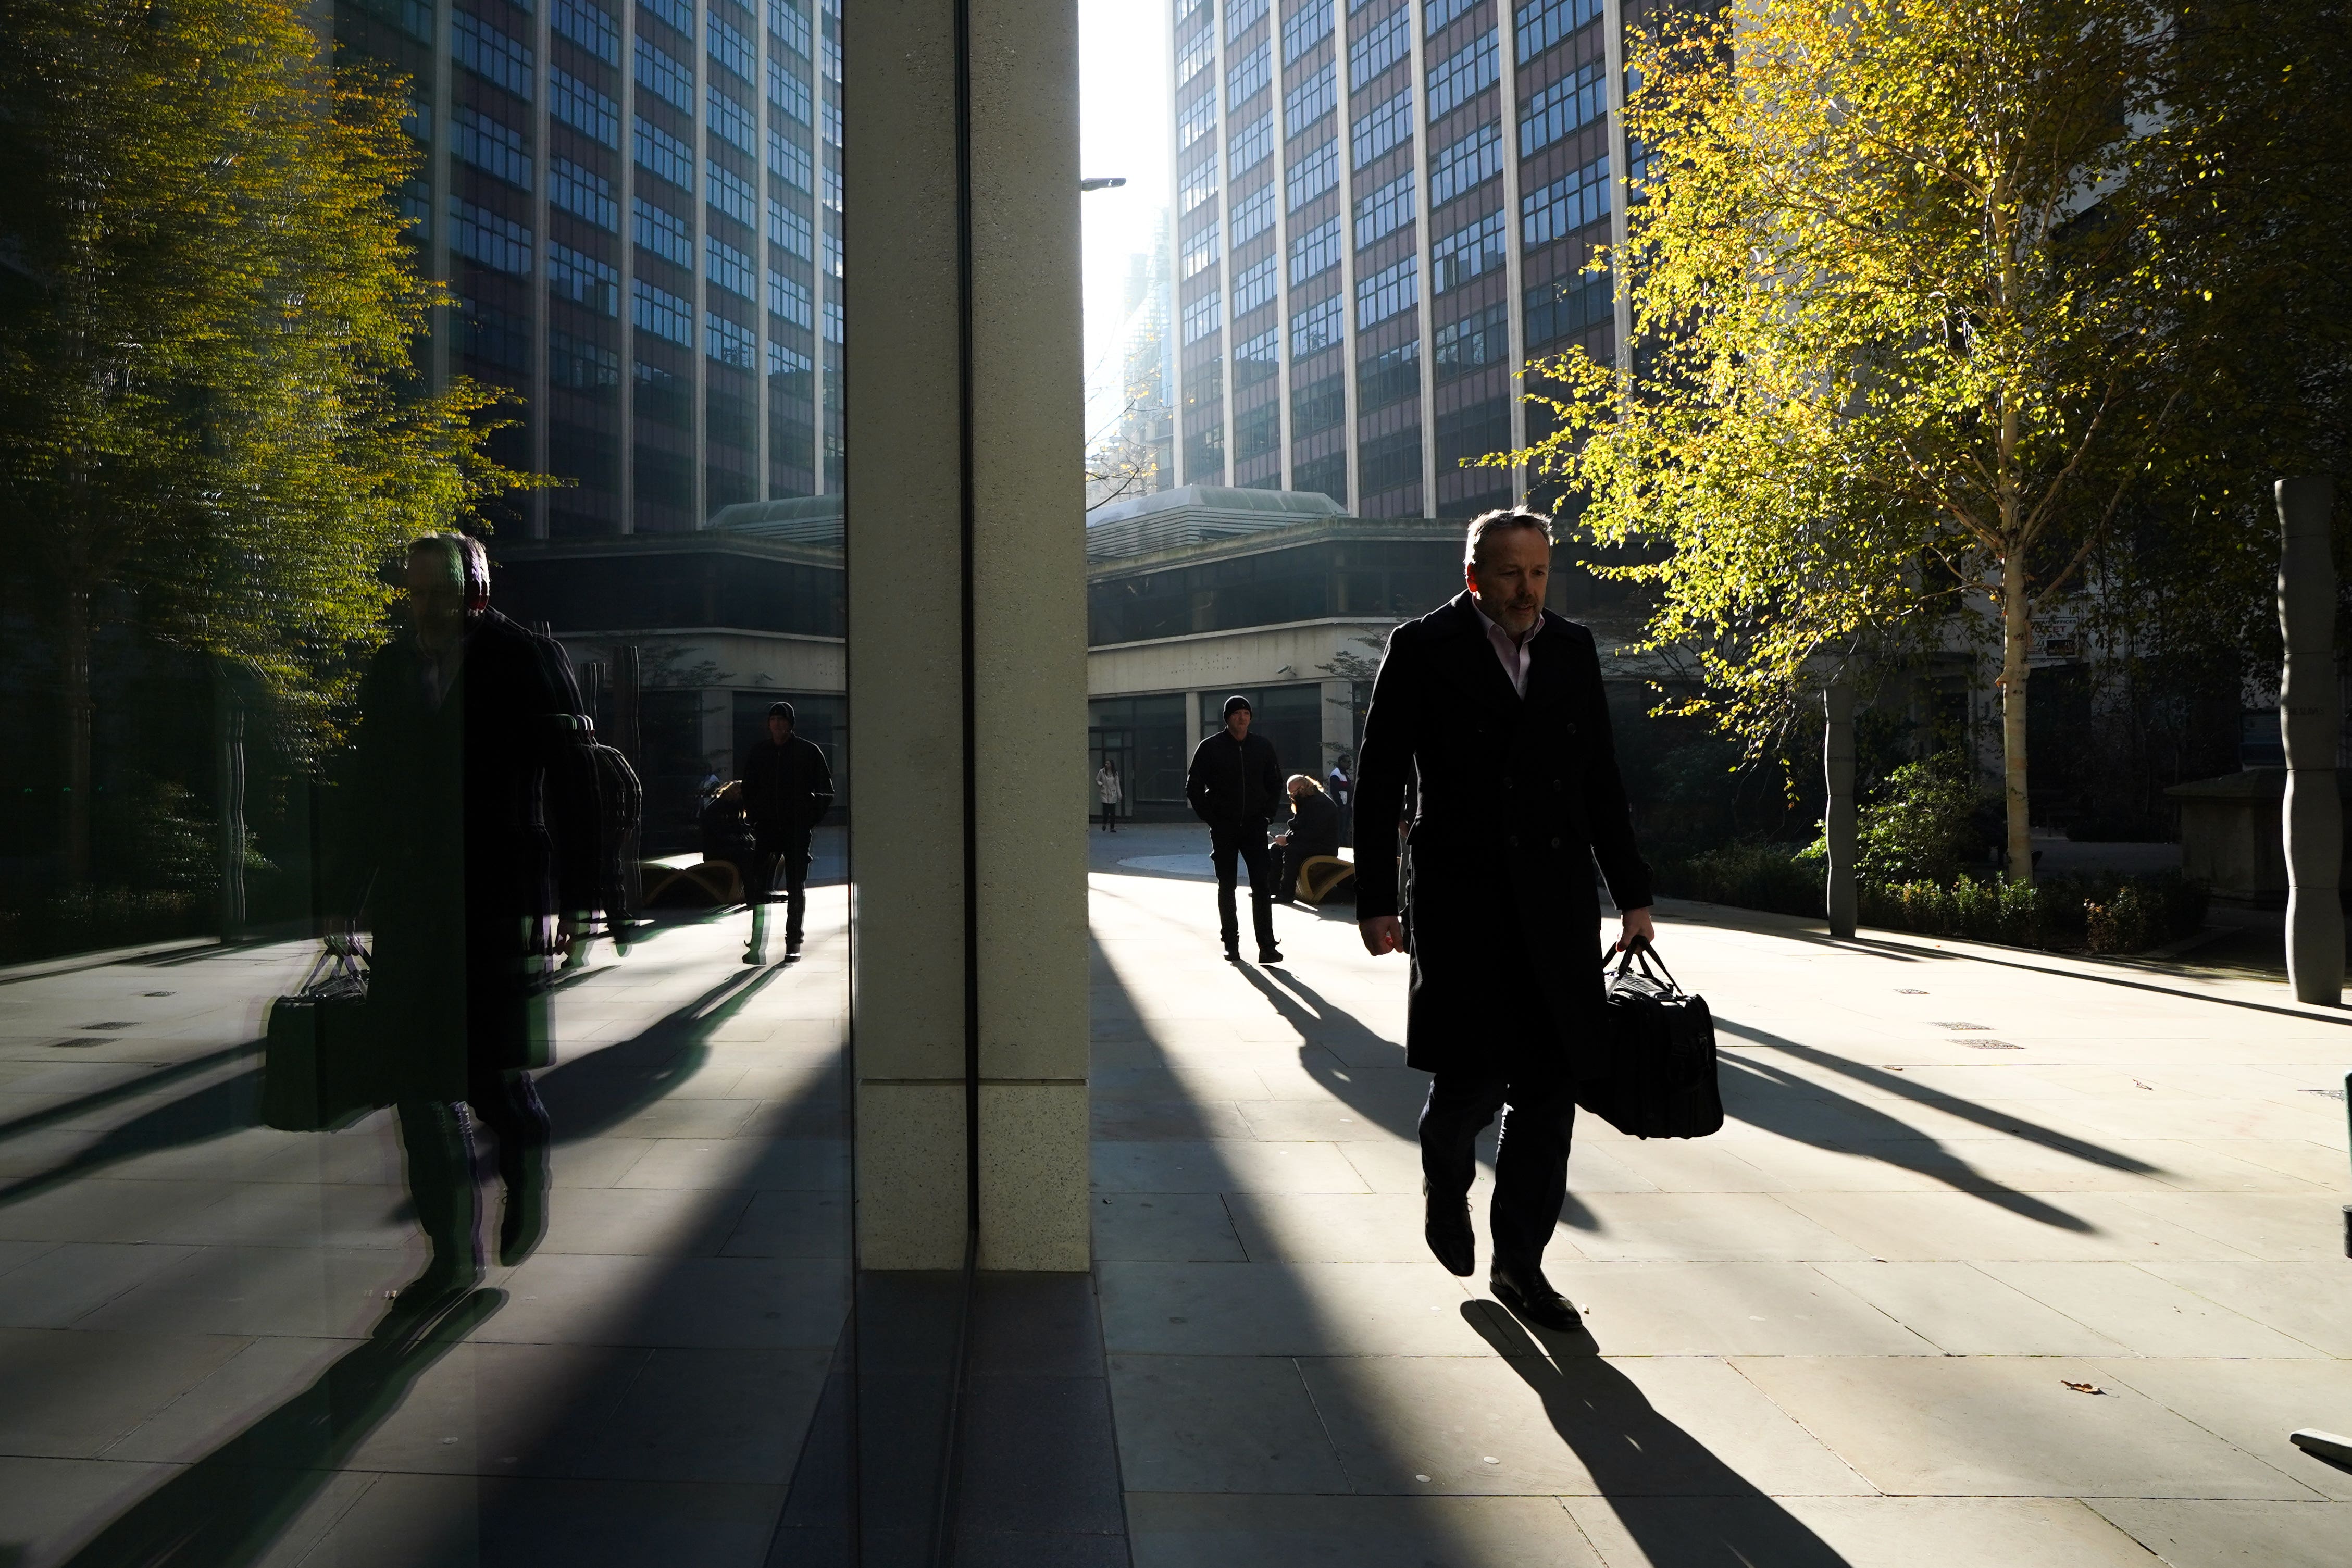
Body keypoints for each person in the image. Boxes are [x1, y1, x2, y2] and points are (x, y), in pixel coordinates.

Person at [1352, 508, 1655, 1334]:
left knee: (1549, 1093)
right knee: (1471, 1086)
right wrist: (1376, 898)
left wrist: (1632, 893)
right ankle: (1443, 1176)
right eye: (1510, 573)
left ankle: (1520, 1266)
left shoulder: (1571, 647)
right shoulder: (1420, 648)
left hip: (1556, 901)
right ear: (1473, 574)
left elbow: (1598, 776)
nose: (1526, 590)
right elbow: (1379, 781)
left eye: (1538, 573)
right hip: (1462, 901)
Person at [335, 533, 602, 1303]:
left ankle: (525, 1152)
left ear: (476, 591)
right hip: (413, 903)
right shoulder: (391, 669)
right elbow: (369, 784)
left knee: (490, 1079)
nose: (426, 608)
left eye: (442, 593)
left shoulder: (524, 657)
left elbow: (574, 783)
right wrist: (344, 894)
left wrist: (582, 900)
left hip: (499, 897)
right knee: (416, 1086)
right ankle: (450, 1256)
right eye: (415, 592)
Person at [1185, 695, 1285, 964]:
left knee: (1261, 885)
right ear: (1228, 718)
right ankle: (1231, 942)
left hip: (1255, 825)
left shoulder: (1262, 747)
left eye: (1246, 713)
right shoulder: (1210, 747)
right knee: (1227, 885)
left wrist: (1267, 815)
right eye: (1237, 713)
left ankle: (1267, 946)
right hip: (1224, 827)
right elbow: (1193, 788)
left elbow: (1276, 783)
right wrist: (1213, 818)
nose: (1242, 717)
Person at [742, 700, 836, 964]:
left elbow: (826, 792)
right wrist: (756, 817)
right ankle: (758, 941)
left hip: (796, 829)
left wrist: (807, 818)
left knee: (796, 885)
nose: (778, 724)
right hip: (768, 828)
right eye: (774, 719)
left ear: (790, 724)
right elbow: (749, 788)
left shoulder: (808, 752)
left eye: (782, 720)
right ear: (768, 724)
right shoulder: (759, 753)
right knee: (759, 887)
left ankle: (793, 940)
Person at [1271, 773, 1341, 904]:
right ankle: (1273, 888)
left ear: (1303, 788)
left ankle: (1287, 894)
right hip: (1312, 842)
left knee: (1292, 851)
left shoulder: (1320, 803)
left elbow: (1314, 832)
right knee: (1276, 849)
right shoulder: (1307, 799)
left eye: (1294, 793)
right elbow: (1299, 826)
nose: (1293, 797)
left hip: (1324, 846)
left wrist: (1288, 840)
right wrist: (1285, 839)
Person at [699, 779, 759, 895]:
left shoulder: (733, 807)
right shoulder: (718, 809)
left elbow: (739, 829)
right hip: (715, 851)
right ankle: (752, 893)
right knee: (746, 856)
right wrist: (745, 841)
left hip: (725, 847)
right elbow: (720, 835)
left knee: (754, 854)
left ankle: (757, 890)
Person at [1326, 755, 1354, 844]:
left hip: (1346, 806)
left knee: (1345, 830)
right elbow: (1335, 792)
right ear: (1342, 762)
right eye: (1348, 762)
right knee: (1341, 831)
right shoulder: (1336, 775)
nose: (1350, 764)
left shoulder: (1345, 775)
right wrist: (1341, 806)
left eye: (1350, 762)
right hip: (1340, 808)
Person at [1094, 757, 1123, 832]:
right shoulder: (1102, 772)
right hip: (1105, 794)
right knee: (1106, 812)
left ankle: (1112, 828)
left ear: (1111, 765)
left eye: (1108, 764)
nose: (1106, 765)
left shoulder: (1115, 773)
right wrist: (1101, 784)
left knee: (1113, 812)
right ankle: (1104, 823)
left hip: (1113, 794)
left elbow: (1117, 785)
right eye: (1106, 763)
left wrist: (1119, 794)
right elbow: (1097, 780)